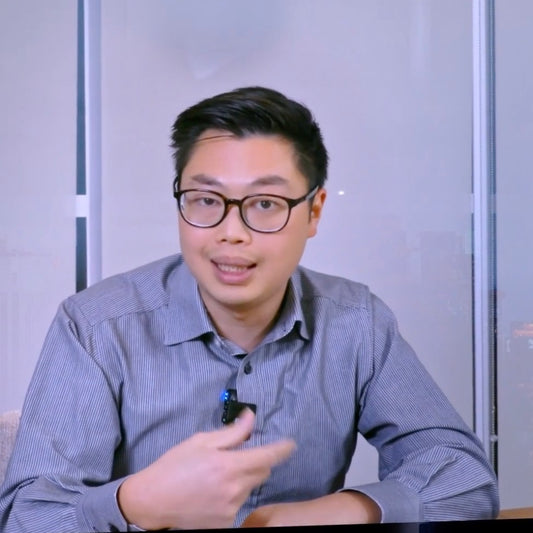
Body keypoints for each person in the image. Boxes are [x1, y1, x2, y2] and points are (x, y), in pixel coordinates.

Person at [0, 86, 499, 532]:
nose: (230, 231)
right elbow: (27, 517)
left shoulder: (355, 322)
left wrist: (311, 514)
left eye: (264, 203)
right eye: (205, 199)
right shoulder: (95, 327)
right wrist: (135, 504)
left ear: (314, 211)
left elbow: (466, 479)